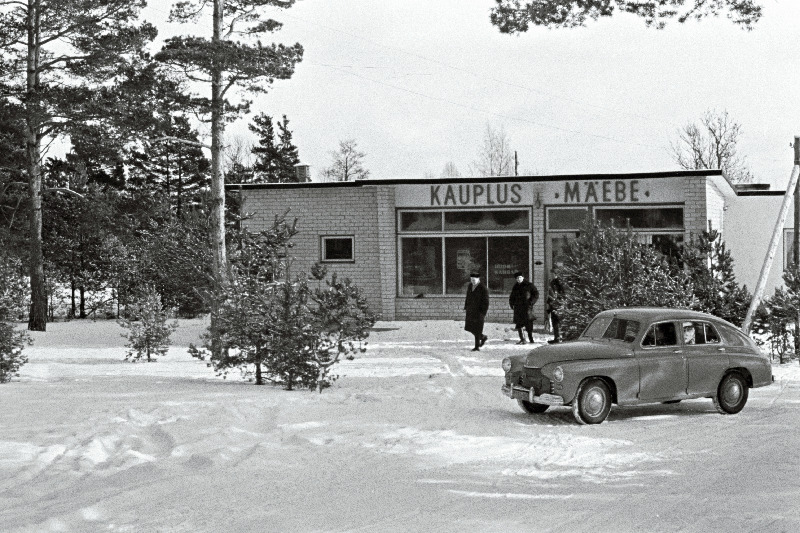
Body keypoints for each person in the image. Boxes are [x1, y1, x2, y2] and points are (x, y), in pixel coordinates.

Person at [509, 271, 538, 344]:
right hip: (518, 307)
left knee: (528, 323)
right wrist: (511, 303)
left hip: (527, 307)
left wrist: (531, 302)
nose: (518, 279)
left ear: (523, 277)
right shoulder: (515, 286)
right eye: (517, 278)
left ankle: (531, 339)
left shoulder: (529, 285)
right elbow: (512, 296)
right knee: (519, 324)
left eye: (519, 277)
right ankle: (522, 339)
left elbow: (536, 294)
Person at [464, 271, 489, 351]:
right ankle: (483, 337)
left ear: (478, 279)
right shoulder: (470, 286)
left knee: (477, 328)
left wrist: (483, 313)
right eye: (471, 279)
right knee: (469, 327)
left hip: (479, 312)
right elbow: (468, 297)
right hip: (470, 311)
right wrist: (466, 306)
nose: (472, 281)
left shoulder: (483, 288)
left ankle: (476, 346)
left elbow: (486, 302)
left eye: (474, 280)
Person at [546, 267, 564, 344]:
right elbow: (550, 292)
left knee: (559, 321)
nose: (552, 275)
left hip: (558, 303)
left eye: (553, 273)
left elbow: (563, 293)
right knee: (554, 321)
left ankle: (561, 337)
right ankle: (556, 337)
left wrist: (559, 300)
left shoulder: (560, 282)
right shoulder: (552, 282)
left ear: (556, 274)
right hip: (552, 303)